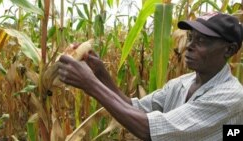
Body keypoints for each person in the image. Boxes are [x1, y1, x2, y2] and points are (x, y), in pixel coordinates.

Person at [57, 12, 243, 141]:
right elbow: (133, 108)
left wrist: (90, 84)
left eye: (202, 40)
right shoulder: (180, 83)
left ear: (230, 49)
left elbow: (147, 129)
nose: (189, 46)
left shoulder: (231, 97)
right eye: (191, 37)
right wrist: (100, 74)